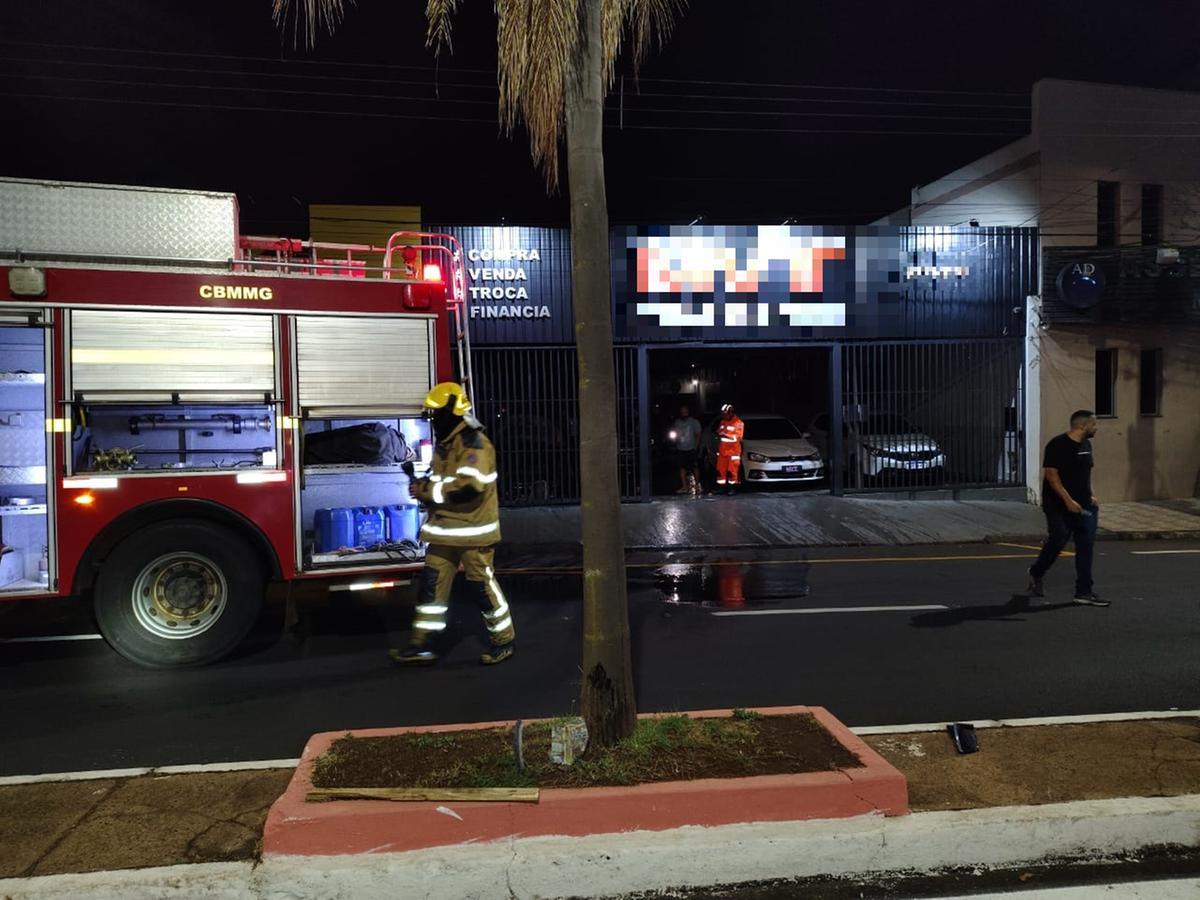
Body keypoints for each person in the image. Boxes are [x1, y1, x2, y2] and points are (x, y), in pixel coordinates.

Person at [390, 382, 516, 666]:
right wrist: (423, 484)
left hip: (472, 533)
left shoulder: (475, 444)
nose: (434, 421)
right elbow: (442, 481)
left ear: (453, 411)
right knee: (431, 589)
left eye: (437, 415)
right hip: (444, 531)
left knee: (481, 588)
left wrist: (426, 491)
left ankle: (504, 640)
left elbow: (470, 487)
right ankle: (422, 644)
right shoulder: (447, 443)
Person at [1026, 409, 1109, 606]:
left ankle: (1084, 592)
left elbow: (1086, 473)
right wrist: (1068, 501)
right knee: (1058, 539)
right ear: (1083, 425)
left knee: (1086, 546)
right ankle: (1036, 572)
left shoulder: (1086, 445)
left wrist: (1091, 494)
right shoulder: (1058, 445)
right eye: (1094, 424)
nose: (1097, 428)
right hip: (1058, 505)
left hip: (1085, 506)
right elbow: (1052, 476)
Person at [670, 404, 703, 496]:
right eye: (682, 411)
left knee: (695, 467)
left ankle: (697, 485)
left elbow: (698, 434)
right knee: (682, 468)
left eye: (685, 411)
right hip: (681, 448)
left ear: (688, 412)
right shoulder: (677, 422)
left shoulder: (694, 422)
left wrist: (695, 447)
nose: (684, 412)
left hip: (691, 448)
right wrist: (675, 440)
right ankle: (684, 487)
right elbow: (675, 433)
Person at [714, 403, 745, 495]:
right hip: (723, 451)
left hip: (733, 452)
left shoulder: (738, 423)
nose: (724, 416)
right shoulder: (723, 421)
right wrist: (719, 433)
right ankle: (722, 488)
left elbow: (738, 437)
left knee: (732, 471)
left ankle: (732, 489)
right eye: (723, 414)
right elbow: (719, 431)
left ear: (731, 413)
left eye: (725, 414)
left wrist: (725, 434)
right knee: (720, 471)